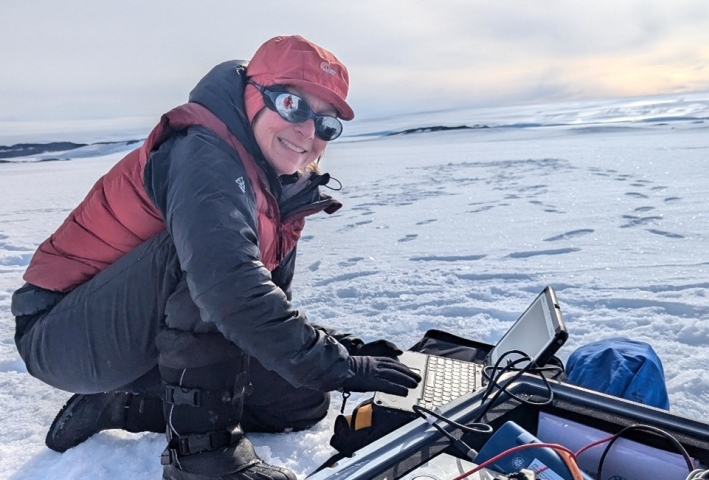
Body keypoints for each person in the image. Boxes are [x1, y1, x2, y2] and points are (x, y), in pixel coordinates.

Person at [11, 35, 421, 480]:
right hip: (60, 334)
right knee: (208, 266)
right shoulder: (203, 153)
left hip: (132, 330)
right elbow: (228, 287)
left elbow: (260, 307)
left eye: (326, 124)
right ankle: (202, 461)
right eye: (293, 105)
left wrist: (339, 349)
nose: (308, 131)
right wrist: (337, 364)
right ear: (253, 95)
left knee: (301, 400)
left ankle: (124, 404)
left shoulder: (277, 190)